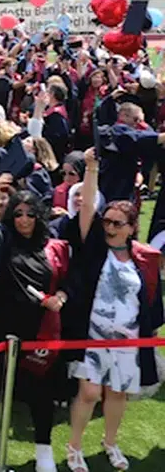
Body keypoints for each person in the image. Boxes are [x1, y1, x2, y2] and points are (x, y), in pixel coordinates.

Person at [64, 148, 163, 472]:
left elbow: (151, 299)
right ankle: (74, 446)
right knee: (90, 392)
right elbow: (88, 207)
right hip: (92, 336)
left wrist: (151, 333)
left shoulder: (145, 258)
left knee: (118, 394)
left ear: (132, 227)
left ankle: (110, 442)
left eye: (117, 223)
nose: (109, 227)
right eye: (106, 221)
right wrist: (91, 168)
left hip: (129, 339)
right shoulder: (94, 250)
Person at [0, 176, 70, 472]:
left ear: (39, 216)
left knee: (40, 393)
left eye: (30, 214)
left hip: (39, 330)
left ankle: (44, 452)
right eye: (18, 213)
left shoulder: (53, 247)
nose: (24, 220)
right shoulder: (2, 239)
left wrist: (61, 295)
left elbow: (69, 281)